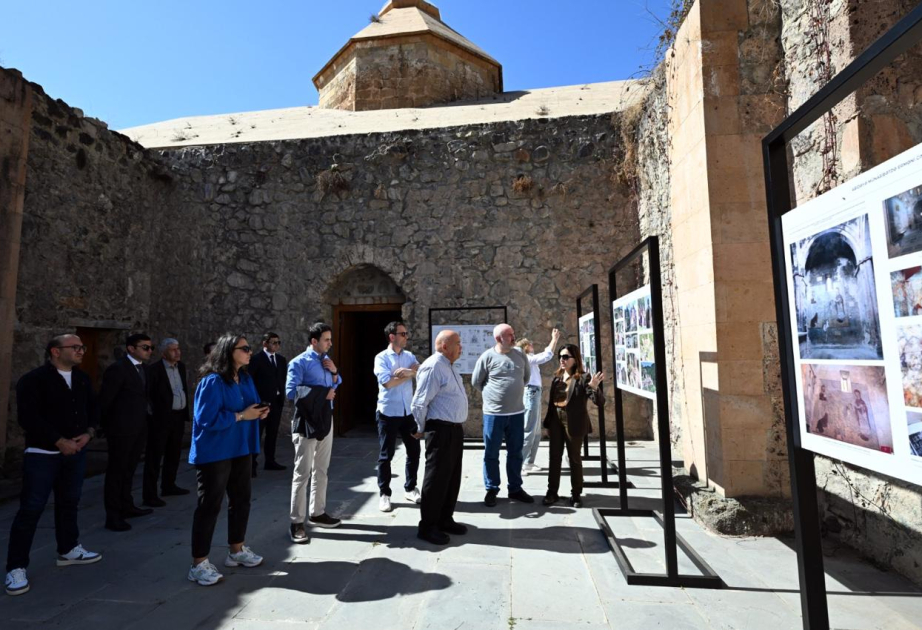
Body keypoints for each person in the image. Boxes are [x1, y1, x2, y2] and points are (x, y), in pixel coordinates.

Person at [5, 335, 102, 596]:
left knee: (70, 501)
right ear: (56, 352)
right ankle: (16, 567)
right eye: (76, 347)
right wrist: (58, 441)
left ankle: (68, 548)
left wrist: (89, 433)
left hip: (76, 452)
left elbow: (94, 409)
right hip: (42, 453)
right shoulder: (34, 380)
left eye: (83, 346)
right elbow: (28, 417)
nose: (81, 351)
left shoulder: (81, 379)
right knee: (31, 509)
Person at [187, 333, 268, 586]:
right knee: (210, 505)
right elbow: (205, 420)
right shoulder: (212, 382)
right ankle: (198, 564)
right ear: (228, 352)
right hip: (215, 452)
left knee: (241, 500)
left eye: (249, 347)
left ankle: (237, 550)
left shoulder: (245, 378)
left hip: (240, 448)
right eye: (244, 348)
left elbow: (249, 408)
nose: (249, 352)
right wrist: (242, 416)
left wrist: (259, 412)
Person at [286, 322, 342, 543]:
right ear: (314, 341)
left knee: (322, 469)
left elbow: (337, 384)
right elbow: (292, 392)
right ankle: (296, 522)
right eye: (326, 339)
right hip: (306, 423)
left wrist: (335, 372)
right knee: (302, 473)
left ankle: (317, 512)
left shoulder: (327, 362)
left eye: (330, 339)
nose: (330, 343)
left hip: (326, 420)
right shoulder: (298, 362)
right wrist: (322, 394)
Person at [412, 330, 469, 545]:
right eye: (458, 342)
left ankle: (445, 519)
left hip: (454, 430)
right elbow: (420, 401)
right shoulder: (434, 366)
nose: (461, 346)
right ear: (445, 346)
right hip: (441, 430)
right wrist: (420, 427)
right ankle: (427, 526)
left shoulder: (448, 366)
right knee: (436, 479)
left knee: (452, 477)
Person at [471, 323, 533, 507]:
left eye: (513, 334)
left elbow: (526, 378)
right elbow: (476, 382)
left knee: (515, 453)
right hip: (493, 415)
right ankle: (492, 489)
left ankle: (515, 488)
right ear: (499, 339)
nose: (514, 338)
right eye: (510, 335)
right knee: (491, 453)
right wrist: (494, 397)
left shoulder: (521, 355)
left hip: (516, 413)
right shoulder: (487, 357)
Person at [99, 333, 155, 531]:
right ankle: (113, 515)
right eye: (145, 347)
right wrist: (106, 427)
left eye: (150, 348)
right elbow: (106, 400)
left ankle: (127, 505)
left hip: (139, 427)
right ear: (131, 348)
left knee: (129, 469)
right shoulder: (118, 369)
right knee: (116, 472)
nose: (149, 351)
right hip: (121, 429)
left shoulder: (144, 369)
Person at [543, 344, 604, 508]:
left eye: (565, 357)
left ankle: (576, 494)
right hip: (556, 420)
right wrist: (548, 423)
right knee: (554, 458)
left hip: (574, 422)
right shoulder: (557, 377)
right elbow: (551, 403)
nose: (562, 360)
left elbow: (599, 402)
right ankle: (552, 492)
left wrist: (593, 387)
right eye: (560, 357)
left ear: (574, 359)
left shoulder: (583, 378)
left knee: (574, 458)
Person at [373, 321, 421, 512]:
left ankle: (410, 488)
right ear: (392, 336)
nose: (406, 337)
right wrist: (410, 374)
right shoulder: (381, 358)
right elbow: (387, 383)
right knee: (386, 455)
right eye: (403, 334)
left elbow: (421, 371)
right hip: (388, 412)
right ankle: (384, 493)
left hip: (408, 412)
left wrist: (408, 372)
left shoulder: (409, 356)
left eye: (406, 333)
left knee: (414, 451)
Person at [142, 338, 191, 507]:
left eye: (178, 349)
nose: (177, 352)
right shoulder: (153, 370)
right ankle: (149, 494)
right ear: (163, 353)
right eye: (172, 350)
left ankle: (169, 485)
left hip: (177, 417)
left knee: (174, 453)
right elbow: (148, 395)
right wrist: (153, 416)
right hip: (161, 418)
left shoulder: (181, 367)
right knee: (155, 457)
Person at [515, 328, 560, 474]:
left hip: (535, 393)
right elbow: (546, 355)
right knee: (529, 429)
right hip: (531, 393)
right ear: (524, 347)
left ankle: (529, 461)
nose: (532, 345)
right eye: (529, 344)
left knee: (535, 431)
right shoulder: (526, 358)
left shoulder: (529, 359)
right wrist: (554, 339)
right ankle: (519, 463)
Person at [248, 332, 288, 474]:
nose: (276, 345)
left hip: (276, 402)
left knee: (272, 433)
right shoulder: (256, 360)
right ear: (265, 343)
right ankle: (252, 464)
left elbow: (282, 380)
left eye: (278, 342)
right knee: (257, 434)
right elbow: (250, 381)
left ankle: (270, 461)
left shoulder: (281, 360)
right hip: (261, 403)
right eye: (273, 342)